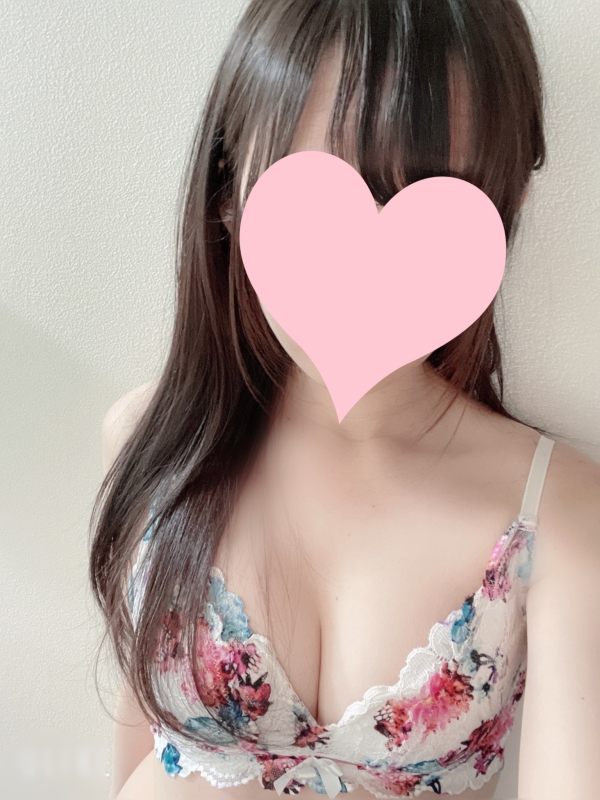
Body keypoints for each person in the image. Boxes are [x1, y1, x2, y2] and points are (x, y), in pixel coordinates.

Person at [90, 1, 600, 799]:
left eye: (432, 197)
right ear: (228, 186)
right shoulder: (150, 439)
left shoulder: (556, 510)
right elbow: (136, 761)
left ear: (504, 212)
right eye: (319, 192)